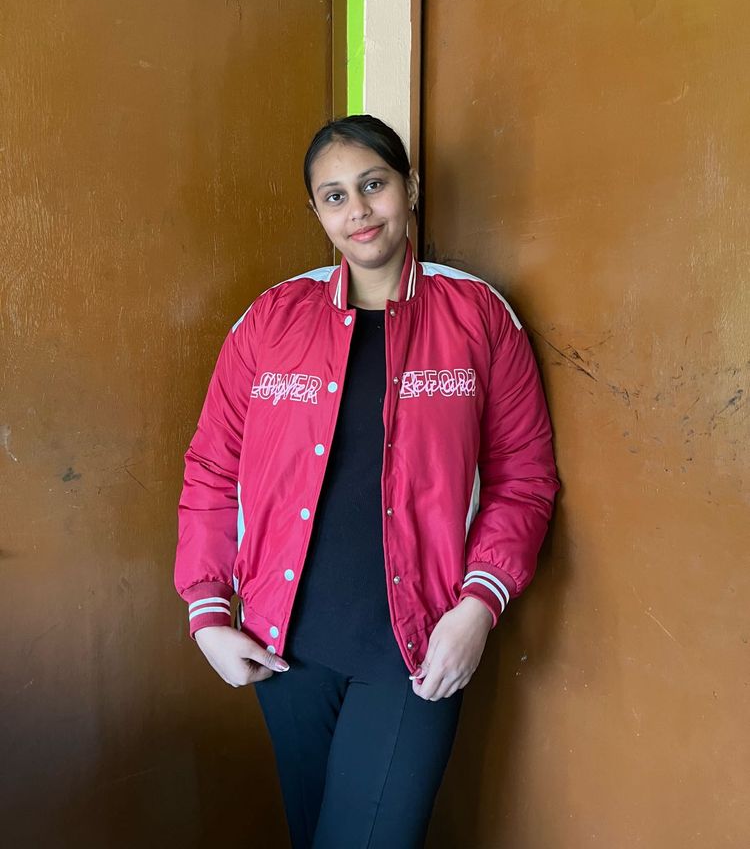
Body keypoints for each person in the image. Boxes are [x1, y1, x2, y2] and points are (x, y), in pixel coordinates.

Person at [174, 114, 559, 848]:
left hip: (418, 646)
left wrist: (477, 608)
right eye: (335, 196)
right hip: (284, 645)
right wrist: (207, 614)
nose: (358, 211)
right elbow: (213, 471)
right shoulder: (269, 320)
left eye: (374, 185)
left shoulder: (478, 315)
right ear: (315, 212)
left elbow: (524, 478)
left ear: (408, 188)